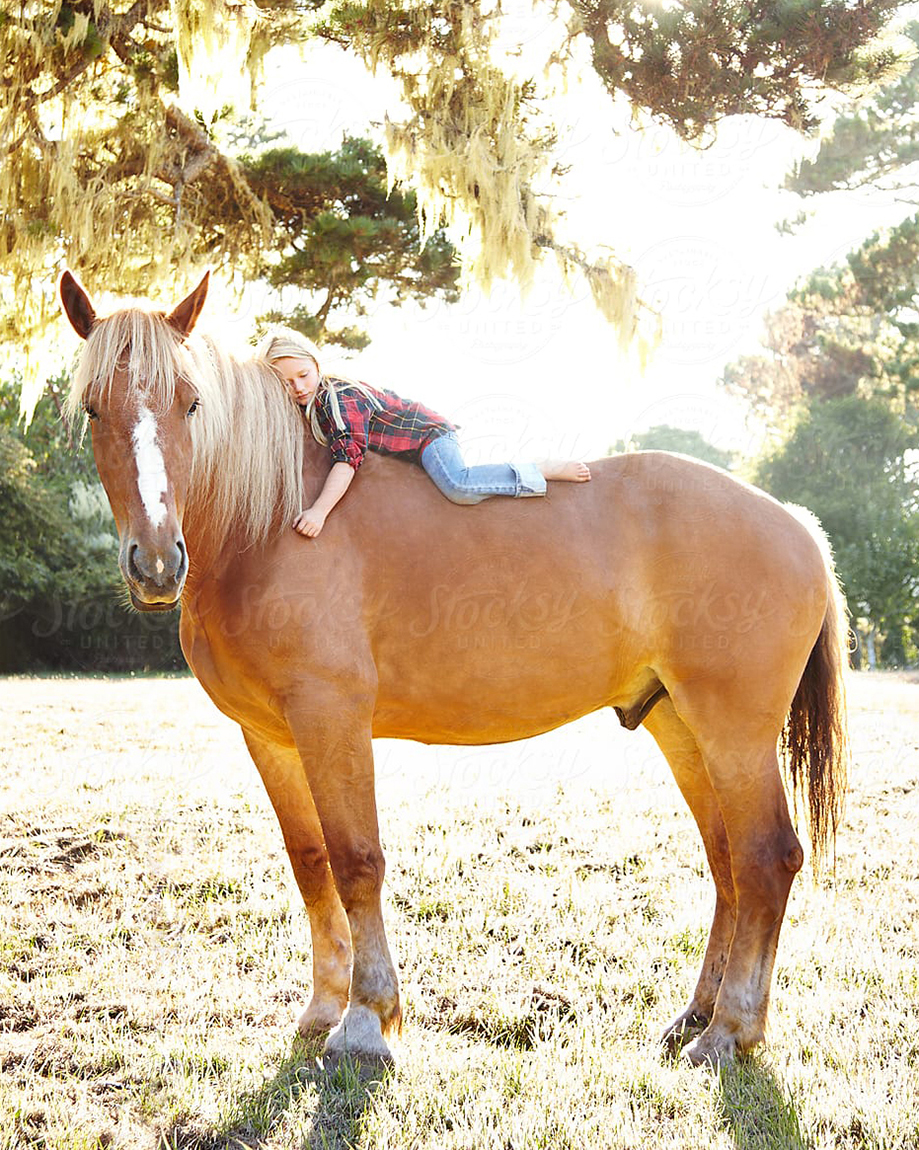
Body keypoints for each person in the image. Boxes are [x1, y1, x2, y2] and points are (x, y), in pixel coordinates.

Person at [256, 329, 591, 538]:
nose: (298, 387)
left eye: (303, 375)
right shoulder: (308, 405)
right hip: (408, 452)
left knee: (459, 485)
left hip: (428, 437)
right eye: (286, 382)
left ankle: (538, 470)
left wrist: (318, 511)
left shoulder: (335, 397)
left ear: (316, 365)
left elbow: (348, 456)